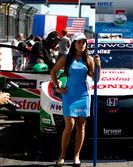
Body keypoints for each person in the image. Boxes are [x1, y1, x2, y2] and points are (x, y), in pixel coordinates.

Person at [50, 32, 101, 166]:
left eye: (84, 42)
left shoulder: (89, 59)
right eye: (79, 42)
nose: (82, 44)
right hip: (69, 95)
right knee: (70, 125)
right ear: (73, 43)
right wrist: (57, 87)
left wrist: (98, 65)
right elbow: (53, 71)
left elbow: (96, 80)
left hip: (83, 95)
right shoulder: (66, 58)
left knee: (81, 126)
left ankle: (76, 156)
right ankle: (62, 156)